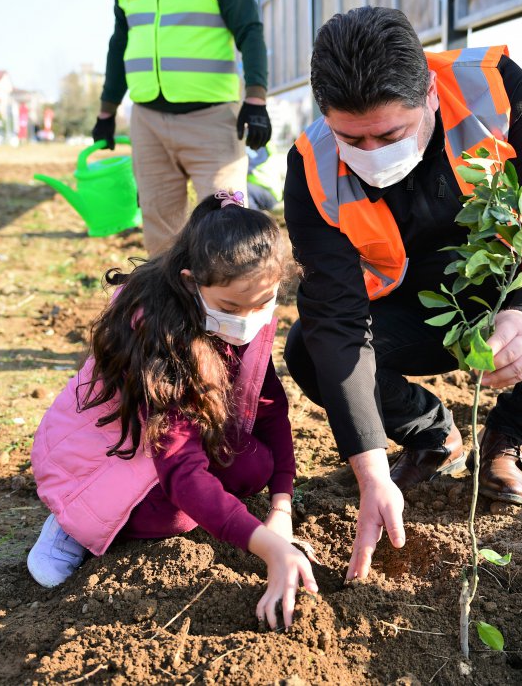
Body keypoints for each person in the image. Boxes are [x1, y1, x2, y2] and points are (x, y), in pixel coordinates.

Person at [282, 7, 522, 581]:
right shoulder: (310, 167)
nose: (372, 152)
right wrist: (371, 469)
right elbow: (335, 319)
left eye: (390, 133)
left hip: (511, 288)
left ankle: (507, 437)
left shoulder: (494, 90)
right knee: (309, 346)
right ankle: (433, 436)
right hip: (413, 312)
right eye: (351, 137)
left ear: (430, 93)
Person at [28, 192, 317, 629]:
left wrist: (281, 508)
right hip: (101, 457)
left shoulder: (250, 307)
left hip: (172, 436)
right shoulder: (160, 337)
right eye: (231, 308)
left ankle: (179, 508)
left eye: (263, 303)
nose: (248, 319)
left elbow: (271, 407)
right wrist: (269, 547)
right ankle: (72, 523)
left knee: (255, 467)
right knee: (175, 513)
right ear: (189, 282)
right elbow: (181, 467)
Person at [93, 0, 273, 255]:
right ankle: (168, 297)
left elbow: (248, 28)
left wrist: (256, 99)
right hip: (147, 120)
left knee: (227, 225)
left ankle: (231, 298)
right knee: (160, 228)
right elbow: (120, 41)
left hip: (211, 119)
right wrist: (107, 111)